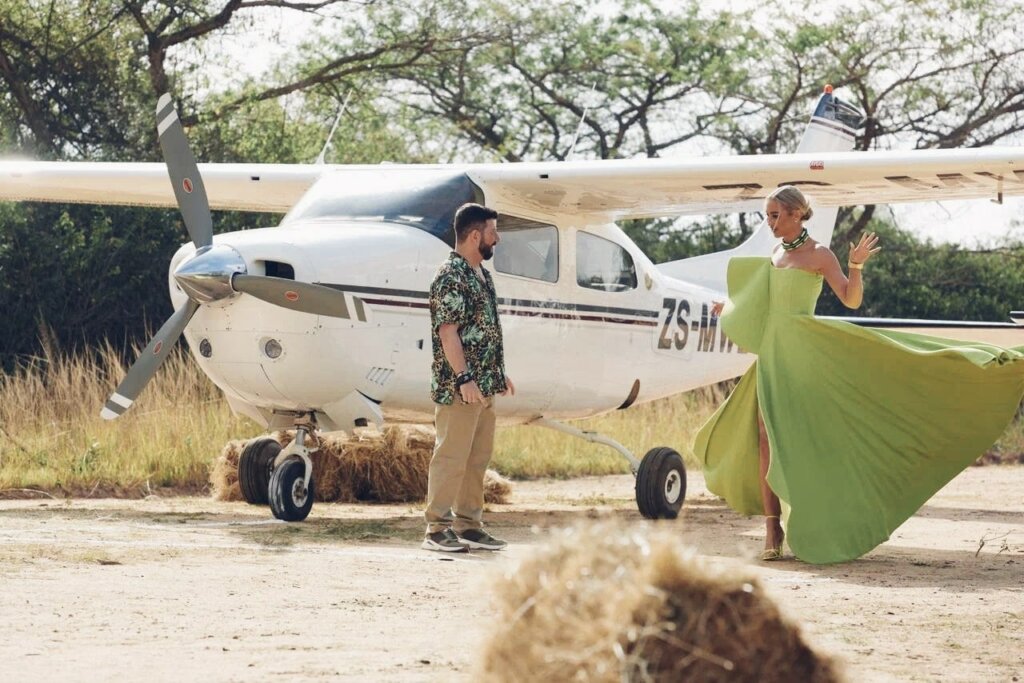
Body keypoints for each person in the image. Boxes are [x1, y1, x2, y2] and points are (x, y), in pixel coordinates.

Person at [695, 185, 1024, 564]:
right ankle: (773, 527)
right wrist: (730, 308)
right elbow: (762, 305)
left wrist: (856, 266)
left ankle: (829, 515)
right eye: (766, 215)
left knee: (802, 438)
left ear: (796, 214)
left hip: (806, 353)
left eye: (774, 215)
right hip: (774, 353)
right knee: (766, 436)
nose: (769, 223)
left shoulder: (819, 254)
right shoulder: (774, 255)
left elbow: (850, 299)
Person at [423, 202, 515, 553]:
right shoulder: (451, 275)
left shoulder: (481, 274)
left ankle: (468, 525)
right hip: (459, 388)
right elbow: (448, 332)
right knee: (451, 457)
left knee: (477, 459)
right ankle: (436, 529)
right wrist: (464, 378)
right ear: (475, 235)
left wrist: (498, 376)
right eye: (493, 232)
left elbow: (484, 331)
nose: (498, 239)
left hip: (485, 386)